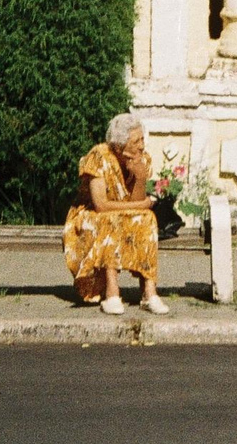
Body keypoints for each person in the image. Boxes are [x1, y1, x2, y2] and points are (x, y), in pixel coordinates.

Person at [64, 112, 168, 315]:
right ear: (119, 146)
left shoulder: (142, 159)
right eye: (136, 141)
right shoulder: (99, 157)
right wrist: (142, 205)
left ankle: (149, 293)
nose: (142, 146)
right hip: (90, 215)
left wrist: (140, 178)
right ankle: (112, 293)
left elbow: (136, 203)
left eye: (142, 139)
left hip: (123, 213)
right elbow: (101, 205)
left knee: (148, 218)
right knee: (111, 219)